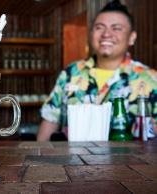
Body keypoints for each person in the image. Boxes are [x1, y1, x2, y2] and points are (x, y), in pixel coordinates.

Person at [37, 0, 157, 141]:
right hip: (72, 162)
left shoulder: (151, 79)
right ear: (91, 33)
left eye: (116, 28)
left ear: (132, 38)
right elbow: (50, 120)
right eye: (99, 27)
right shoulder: (70, 73)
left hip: (129, 162)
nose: (106, 34)